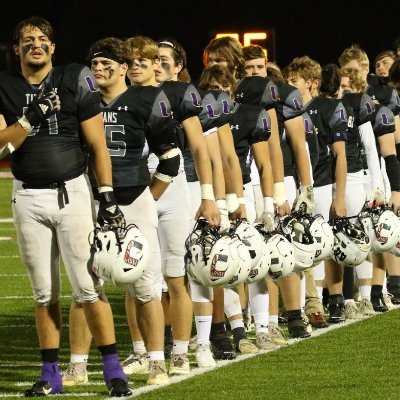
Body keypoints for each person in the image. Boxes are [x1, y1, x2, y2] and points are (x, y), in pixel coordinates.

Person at [0, 17, 131, 397]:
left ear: (53, 48)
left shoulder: (74, 77)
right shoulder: (5, 86)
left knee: (88, 287)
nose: (35, 44)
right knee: (43, 292)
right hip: (27, 196)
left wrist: (106, 194)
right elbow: (1, 148)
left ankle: (113, 370)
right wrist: (31, 117)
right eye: (27, 40)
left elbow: (97, 145)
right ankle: (50, 374)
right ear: (16, 49)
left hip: (71, 191)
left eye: (42, 39)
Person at [63, 36, 182, 387]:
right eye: (95, 64)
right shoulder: (81, 102)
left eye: (106, 64)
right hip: (89, 202)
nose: (99, 70)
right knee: (84, 286)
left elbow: (171, 158)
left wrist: (148, 196)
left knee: (145, 285)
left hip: (132, 198)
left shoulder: (147, 98)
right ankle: (78, 364)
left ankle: (157, 362)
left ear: (124, 68)